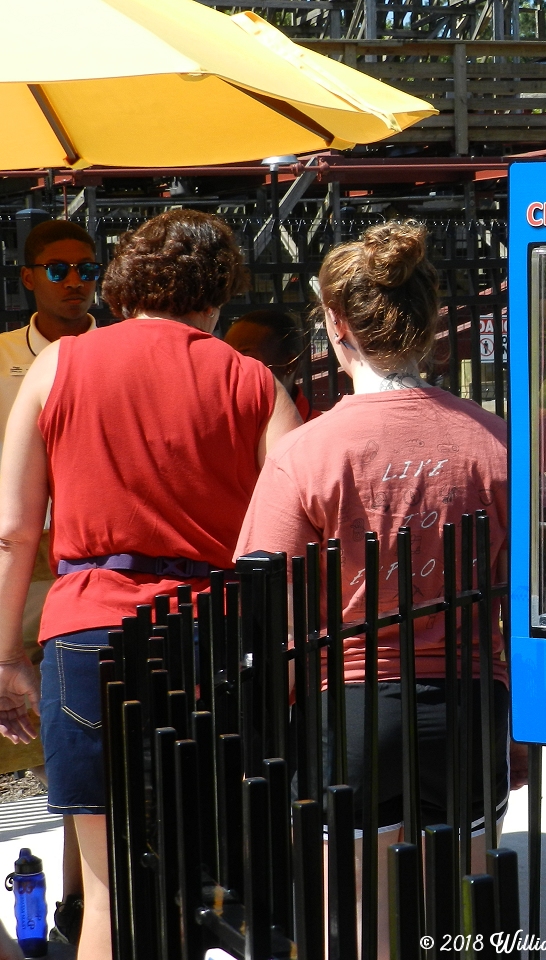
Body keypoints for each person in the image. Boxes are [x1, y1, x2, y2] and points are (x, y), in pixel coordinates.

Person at [0, 209, 300, 958]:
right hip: (213, 639)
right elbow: (293, 541)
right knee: (203, 879)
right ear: (216, 294)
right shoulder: (256, 382)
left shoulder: (57, 366)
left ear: (126, 283)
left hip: (86, 633)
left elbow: (10, 531)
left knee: (104, 892)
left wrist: (4, 656)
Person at [236, 221, 509, 955]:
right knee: (467, 912)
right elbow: (526, 595)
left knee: (357, 926)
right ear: (431, 321)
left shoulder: (306, 453)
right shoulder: (494, 441)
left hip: (348, 711)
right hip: (471, 703)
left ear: (336, 325)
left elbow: (263, 600)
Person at [0, 219, 102, 945]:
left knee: (82, 754)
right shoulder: (3, 358)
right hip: (14, 575)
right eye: (58, 269)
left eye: (87, 268)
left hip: (87, 577)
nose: (76, 281)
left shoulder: (113, 352)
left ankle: (75, 906)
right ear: (28, 276)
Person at [225, 308, 321, 420]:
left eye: (246, 362)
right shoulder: (222, 424)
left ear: (289, 365)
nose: (231, 373)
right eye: (228, 361)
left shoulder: (316, 432)